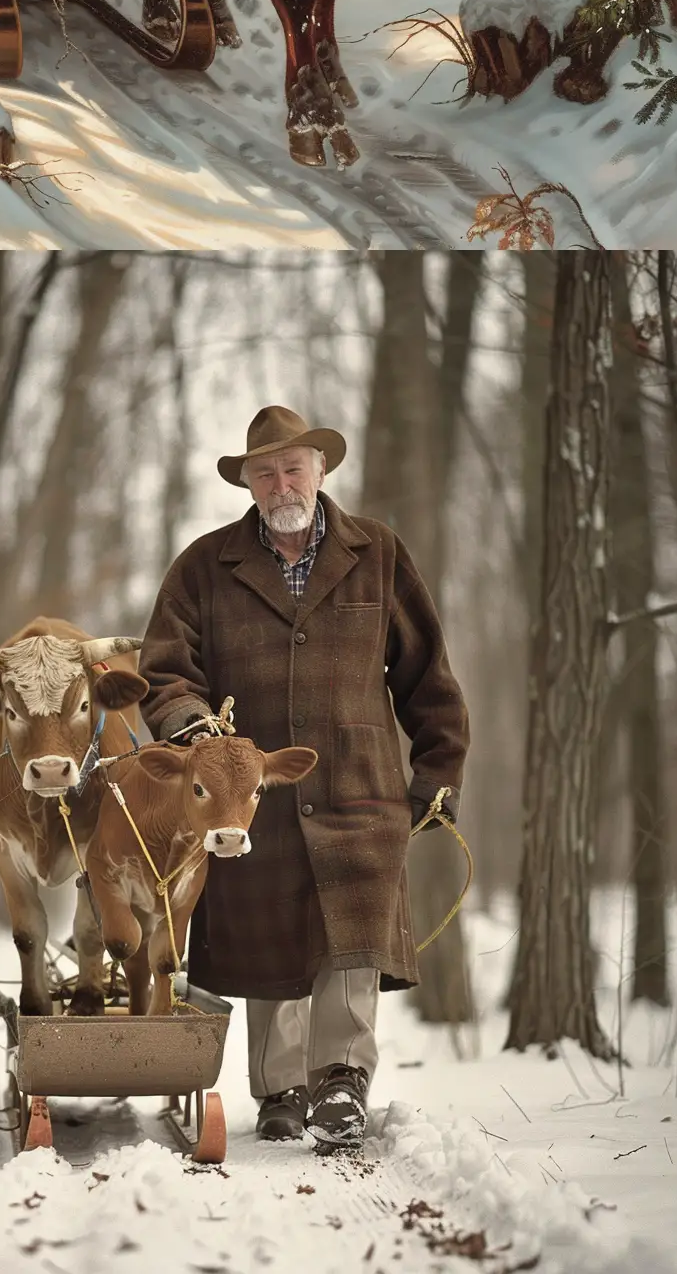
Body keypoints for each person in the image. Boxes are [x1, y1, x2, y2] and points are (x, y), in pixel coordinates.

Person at [140, 407, 469, 1151]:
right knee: (270, 931)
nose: (280, 483)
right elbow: (164, 669)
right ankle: (281, 1090)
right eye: (265, 472)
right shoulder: (203, 565)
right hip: (246, 793)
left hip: (361, 782)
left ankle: (343, 1083)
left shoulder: (377, 553)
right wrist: (191, 725)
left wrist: (438, 770)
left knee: (351, 932)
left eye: (293, 468)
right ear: (248, 483)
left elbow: (427, 674)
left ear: (320, 472)